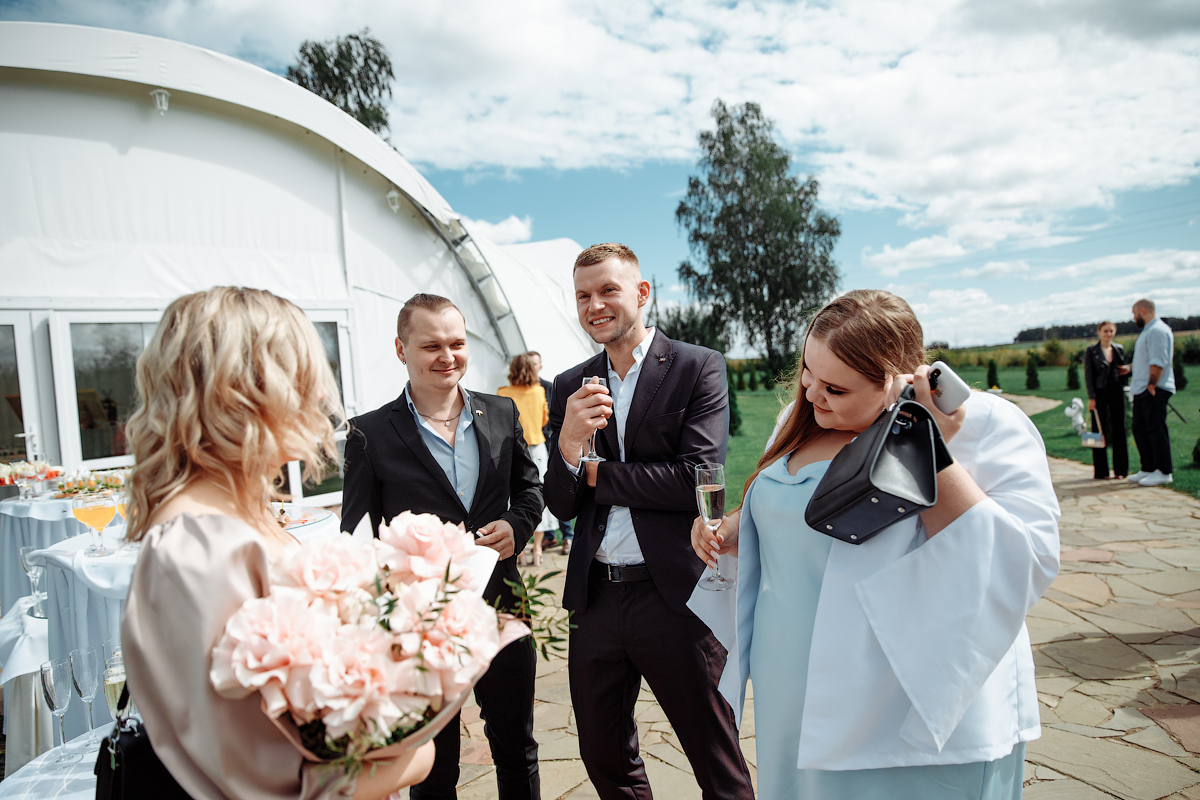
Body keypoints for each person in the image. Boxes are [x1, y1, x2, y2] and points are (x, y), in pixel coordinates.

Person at [689, 290, 1060, 800]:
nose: (813, 393)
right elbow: (786, 511)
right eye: (807, 372)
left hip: (903, 704)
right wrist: (737, 527)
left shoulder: (989, 427)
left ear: (893, 379)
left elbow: (1018, 566)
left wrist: (922, 439)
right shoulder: (801, 421)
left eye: (836, 388)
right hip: (793, 686)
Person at [121, 287, 435, 800]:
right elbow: (267, 781)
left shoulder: (237, 514)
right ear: (244, 389)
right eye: (303, 375)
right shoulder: (198, 544)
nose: (318, 399)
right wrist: (413, 757)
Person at [544, 243, 754, 799]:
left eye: (608, 290)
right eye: (583, 295)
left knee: (716, 758)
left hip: (676, 595)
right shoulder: (569, 384)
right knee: (603, 755)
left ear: (641, 293)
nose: (595, 305)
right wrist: (568, 446)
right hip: (597, 598)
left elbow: (696, 479)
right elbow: (560, 505)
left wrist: (595, 474)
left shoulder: (695, 366)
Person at [340, 293, 543, 800]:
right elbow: (357, 536)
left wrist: (517, 526)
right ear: (400, 349)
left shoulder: (501, 412)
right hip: (419, 627)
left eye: (456, 343)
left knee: (517, 749)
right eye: (431, 345)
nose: (447, 356)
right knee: (433, 766)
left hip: (501, 608)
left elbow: (530, 489)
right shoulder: (368, 434)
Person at [497, 353, 557, 566]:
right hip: (537, 448)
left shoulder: (503, 393)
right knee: (539, 496)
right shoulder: (540, 392)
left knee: (512, 496)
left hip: (512, 448)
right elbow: (543, 420)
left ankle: (519, 551)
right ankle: (538, 550)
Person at [529, 350, 574, 555]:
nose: (532, 367)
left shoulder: (549, 387)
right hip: (534, 446)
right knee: (541, 492)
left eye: (535, 363)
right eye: (528, 363)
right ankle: (548, 537)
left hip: (548, 445)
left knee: (557, 490)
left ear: (540, 366)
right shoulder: (520, 389)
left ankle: (567, 537)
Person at [1127, 299, 1176, 487]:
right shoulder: (1148, 330)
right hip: (1141, 389)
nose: (1133, 317)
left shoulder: (1157, 331)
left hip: (1153, 389)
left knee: (1156, 430)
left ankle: (1164, 471)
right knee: (1140, 430)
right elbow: (1145, 358)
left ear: (1143, 310)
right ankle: (1148, 467)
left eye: (1134, 313)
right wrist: (1130, 368)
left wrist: (1152, 386)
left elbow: (1158, 360)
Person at [1084, 321, 1129, 479]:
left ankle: (1121, 470)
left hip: (1117, 392)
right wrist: (1092, 397)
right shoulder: (1092, 351)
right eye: (1105, 331)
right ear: (1099, 332)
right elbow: (1089, 376)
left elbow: (1122, 369)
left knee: (1119, 429)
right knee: (1099, 430)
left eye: (1111, 331)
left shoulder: (1118, 349)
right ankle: (1101, 471)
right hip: (1100, 393)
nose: (1108, 334)